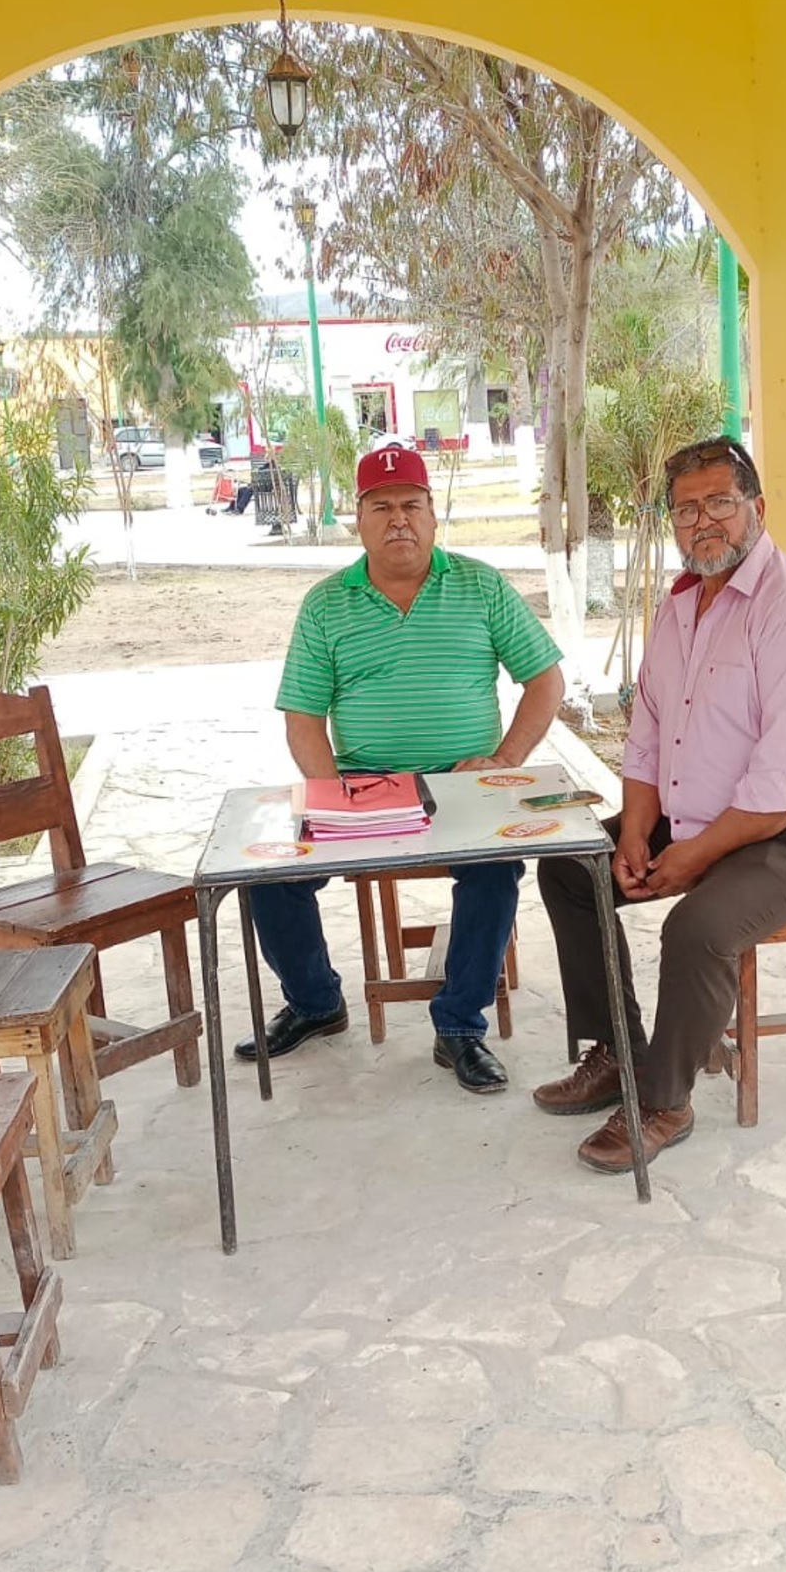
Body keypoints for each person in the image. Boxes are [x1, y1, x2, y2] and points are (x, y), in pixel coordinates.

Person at [533, 437, 786, 1173]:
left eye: (720, 502)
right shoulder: (683, 604)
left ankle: (665, 1100)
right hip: (702, 812)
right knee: (572, 866)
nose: (704, 522)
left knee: (697, 926)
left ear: (758, 507)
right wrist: (636, 831)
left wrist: (690, 856)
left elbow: (784, 785)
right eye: (686, 510)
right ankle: (617, 1052)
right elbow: (649, 732)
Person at [237, 441, 564, 1093]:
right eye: (381, 507)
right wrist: (330, 794)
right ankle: (315, 1002)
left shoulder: (480, 585)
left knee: (495, 870)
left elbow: (545, 681)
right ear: (357, 520)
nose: (398, 520)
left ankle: (460, 1026)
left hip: (464, 783)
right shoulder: (326, 604)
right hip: (365, 785)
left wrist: (503, 762)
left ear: (433, 514)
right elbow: (303, 718)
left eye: (411, 505)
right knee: (268, 874)